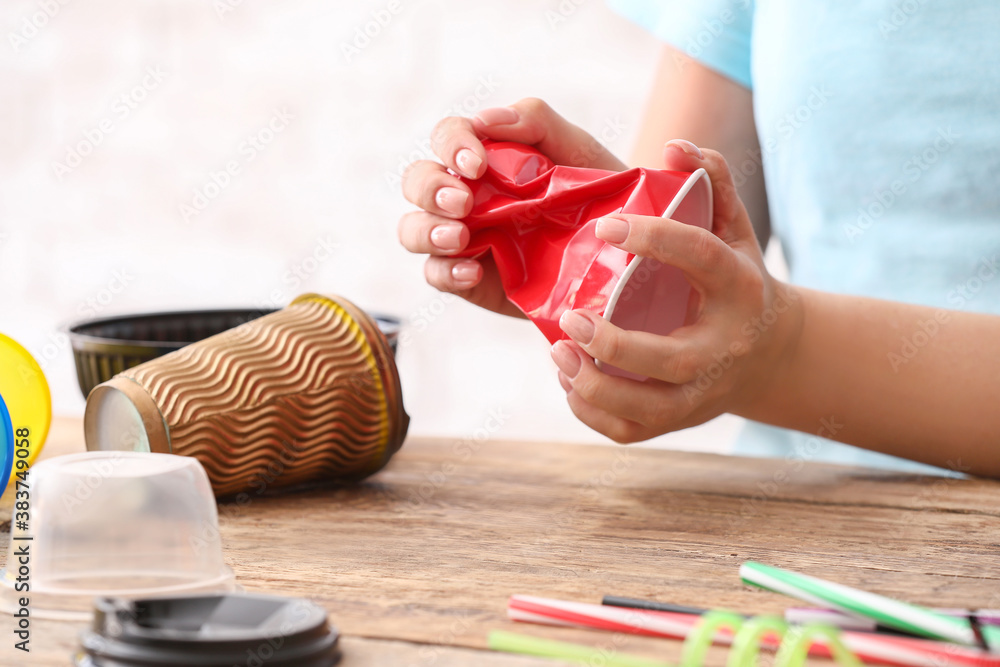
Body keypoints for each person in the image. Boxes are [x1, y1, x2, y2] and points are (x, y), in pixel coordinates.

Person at [397, 4, 1000, 476]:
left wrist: (777, 357)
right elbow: (688, 253)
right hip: (783, 526)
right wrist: (573, 236)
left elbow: (754, 338)